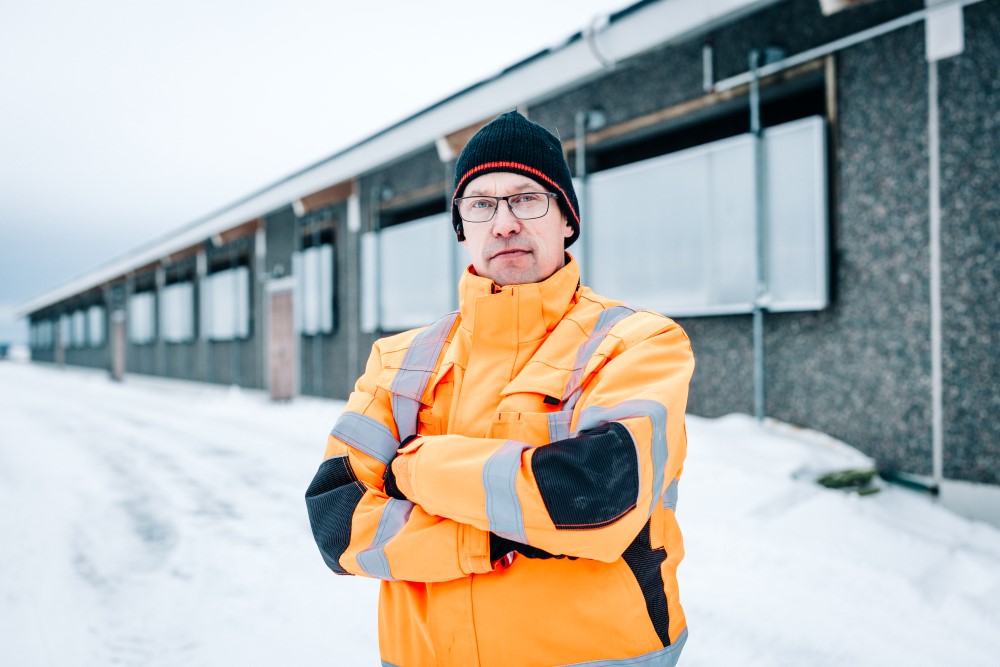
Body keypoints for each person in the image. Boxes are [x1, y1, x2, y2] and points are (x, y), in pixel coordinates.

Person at [306, 110, 695, 667]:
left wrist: (415, 466)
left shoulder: (636, 343)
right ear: (462, 229)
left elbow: (599, 498)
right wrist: (489, 540)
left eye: (526, 199)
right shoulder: (398, 361)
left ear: (567, 219)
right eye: (481, 205)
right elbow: (337, 521)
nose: (504, 223)